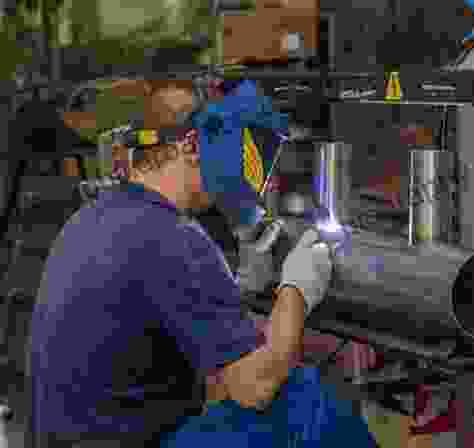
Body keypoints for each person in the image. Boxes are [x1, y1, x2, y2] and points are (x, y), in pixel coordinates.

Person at [29, 80, 377, 448]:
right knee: (304, 401)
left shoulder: (90, 218)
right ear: (193, 145)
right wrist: (297, 289)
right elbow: (256, 387)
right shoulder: (171, 235)